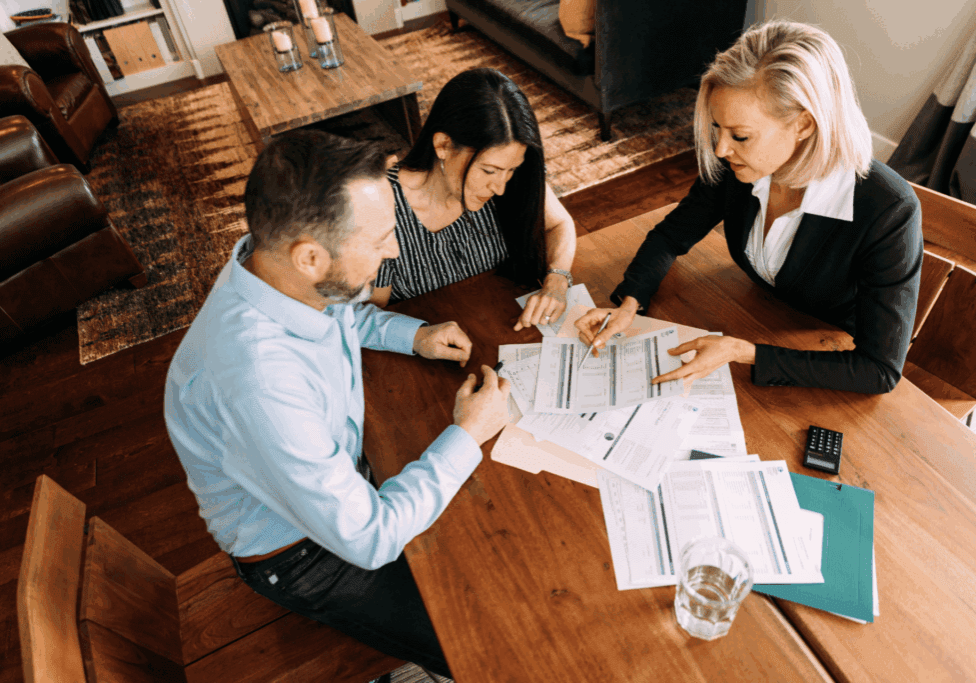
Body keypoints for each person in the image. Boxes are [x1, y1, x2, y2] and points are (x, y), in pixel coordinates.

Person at [163, 130, 512, 679]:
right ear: (309, 256)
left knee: (497, 544)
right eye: (380, 240)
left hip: (342, 481)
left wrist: (413, 336)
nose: (394, 250)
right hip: (300, 555)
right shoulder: (257, 379)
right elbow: (369, 536)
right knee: (490, 637)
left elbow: (344, 309)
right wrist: (467, 434)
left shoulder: (273, 271)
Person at [576, 20, 922, 394]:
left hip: (824, 355)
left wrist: (745, 351)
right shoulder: (738, 165)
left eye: (740, 135)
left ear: (804, 124)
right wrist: (630, 302)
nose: (721, 150)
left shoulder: (890, 211)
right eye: (717, 129)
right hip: (755, 312)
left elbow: (879, 370)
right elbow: (671, 235)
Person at [371, 67, 577, 331]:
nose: (500, 188)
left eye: (511, 169)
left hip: (501, 325)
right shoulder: (380, 207)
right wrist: (419, 336)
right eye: (488, 170)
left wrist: (557, 281)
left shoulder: (511, 181)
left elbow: (560, 224)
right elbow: (370, 315)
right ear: (443, 145)